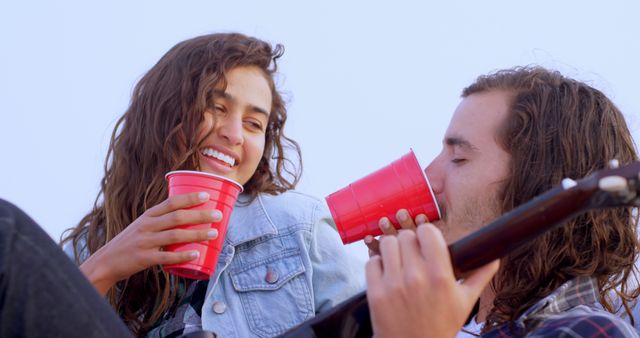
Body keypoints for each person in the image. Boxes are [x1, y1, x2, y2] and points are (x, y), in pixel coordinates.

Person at [60, 33, 364, 338]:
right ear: (164, 111)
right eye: (217, 107)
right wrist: (103, 269)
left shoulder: (298, 228)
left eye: (254, 123)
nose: (235, 135)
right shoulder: (88, 251)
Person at [365, 66, 640, 337]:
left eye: (459, 158)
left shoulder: (587, 332)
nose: (429, 178)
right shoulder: (438, 322)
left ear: (533, 183)